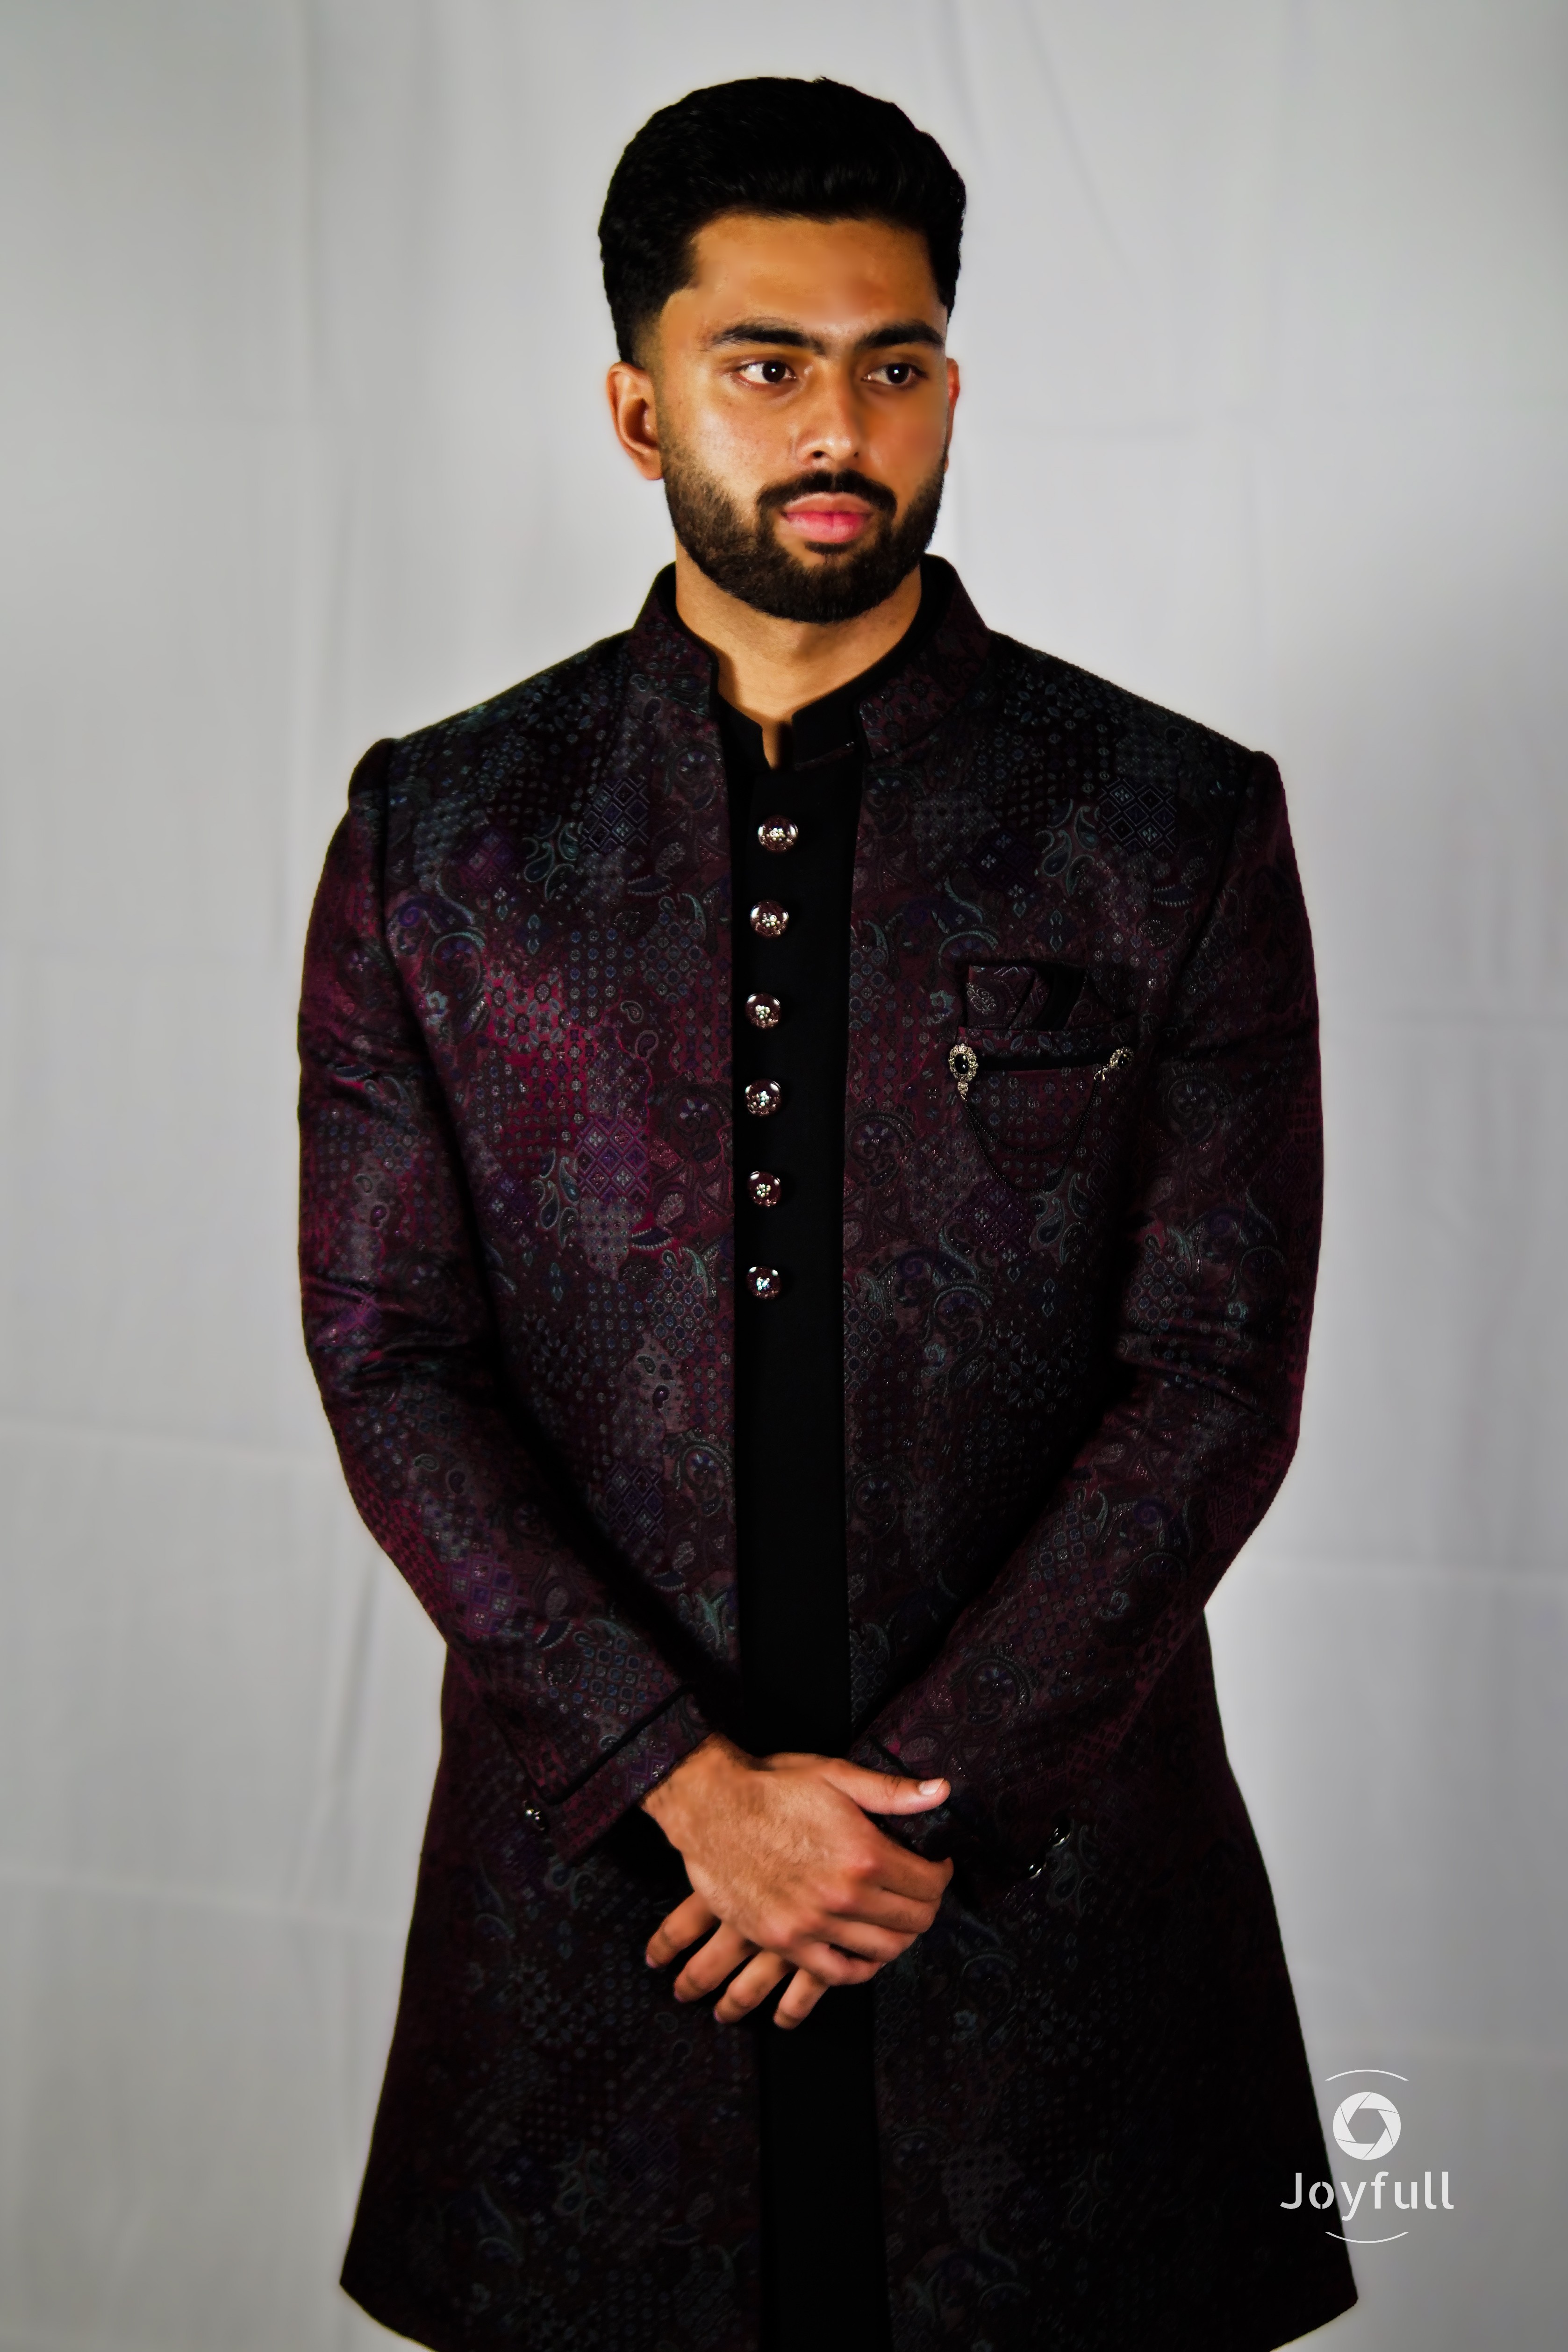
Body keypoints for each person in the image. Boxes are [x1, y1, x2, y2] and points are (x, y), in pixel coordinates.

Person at [298, 74, 1357, 2352]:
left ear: (949, 389)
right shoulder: (444, 838)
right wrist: (684, 1785)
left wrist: (905, 1819)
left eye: (892, 364)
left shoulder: (1162, 825)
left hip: (1051, 1886)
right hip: (602, 1890)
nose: (834, 426)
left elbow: (1211, 1374)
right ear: (636, 405)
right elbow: (393, 1359)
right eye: (763, 362)